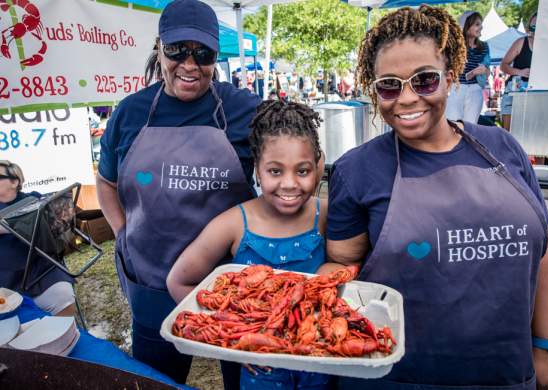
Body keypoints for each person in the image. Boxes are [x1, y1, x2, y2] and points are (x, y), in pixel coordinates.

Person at [321, 6, 548, 389]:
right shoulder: (357, 170)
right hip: (393, 377)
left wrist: (544, 347)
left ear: (450, 79)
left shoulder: (503, 148)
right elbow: (341, 268)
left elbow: (542, 251)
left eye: (425, 80)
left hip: (506, 373)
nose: (407, 98)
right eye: (389, 85)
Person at [96, 0, 261, 384]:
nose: (190, 65)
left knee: (242, 380)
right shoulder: (129, 113)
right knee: (157, 381)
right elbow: (106, 183)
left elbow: (300, 154)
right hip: (152, 282)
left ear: (216, 56)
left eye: (202, 54)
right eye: (177, 50)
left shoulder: (244, 110)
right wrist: (123, 233)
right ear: (159, 48)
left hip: (230, 285)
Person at [167, 100, 331, 390]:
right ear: (256, 168)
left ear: (318, 165)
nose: (290, 184)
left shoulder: (327, 216)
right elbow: (179, 280)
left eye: (302, 171)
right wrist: (230, 336)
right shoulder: (232, 224)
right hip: (260, 374)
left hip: (320, 364)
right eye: (275, 171)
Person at [0, 160, 76, 317]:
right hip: (5, 280)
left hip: (41, 271)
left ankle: (63, 337)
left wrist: (14, 223)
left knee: (63, 296)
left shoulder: (35, 201)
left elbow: (59, 230)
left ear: (15, 181)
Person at [445, 11, 490, 124]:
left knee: (470, 126)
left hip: (475, 89)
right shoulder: (455, 45)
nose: (481, 27)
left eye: (481, 24)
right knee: (453, 123)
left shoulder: (484, 46)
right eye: (477, 24)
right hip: (457, 88)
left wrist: (485, 70)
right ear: (466, 26)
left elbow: (487, 71)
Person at [500, 13, 537, 131]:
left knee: (531, 132)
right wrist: (519, 72)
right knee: (509, 132)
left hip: (536, 94)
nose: (535, 29)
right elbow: (503, 65)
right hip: (515, 91)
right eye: (533, 25)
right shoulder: (521, 42)